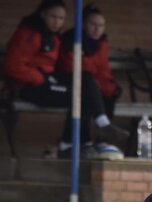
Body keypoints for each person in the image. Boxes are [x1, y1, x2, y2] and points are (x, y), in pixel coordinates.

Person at [2, 0, 127, 159]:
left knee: (85, 85)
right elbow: (13, 66)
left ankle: (93, 132)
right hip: (27, 87)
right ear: (43, 15)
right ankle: (71, 143)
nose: (57, 22)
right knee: (79, 97)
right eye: (53, 17)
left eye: (61, 18)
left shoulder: (54, 36)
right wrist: (40, 79)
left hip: (46, 82)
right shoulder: (29, 33)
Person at [57, 3, 126, 158]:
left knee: (109, 91)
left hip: (87, 83)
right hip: (66, 81)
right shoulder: (71, 39)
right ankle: (90, 137)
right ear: (83, 24)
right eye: (93, 24)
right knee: (86, 89)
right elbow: (71, 66)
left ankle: (101, 139)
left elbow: (103, 70)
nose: (97, 29)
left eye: (101, 25)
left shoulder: (101, 43)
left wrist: (109, 88)